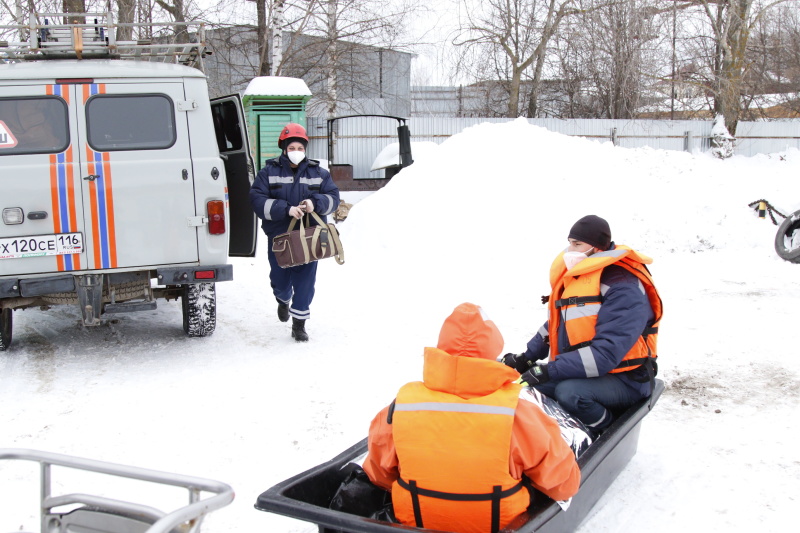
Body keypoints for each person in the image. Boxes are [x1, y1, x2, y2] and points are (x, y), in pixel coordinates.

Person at [364, 303, 581, 533]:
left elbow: (378, 473)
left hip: (417, 522)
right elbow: (564, 484)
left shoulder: (401, 407)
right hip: (498, 524)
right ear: (493, 351)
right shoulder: (519, 413)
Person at [501, 215, 663, 437]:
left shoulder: (624, 288)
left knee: (570, 392)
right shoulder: (583, 278)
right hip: (589, 372)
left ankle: (606, 430)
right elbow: (557, 324)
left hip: (628, 378)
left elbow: (606, 354)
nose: (570, 250)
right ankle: (553, 440)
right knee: (532, 388)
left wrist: (550, 369)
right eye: (570, 242)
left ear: (597, 248)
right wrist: (527, 358)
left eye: (577, 244)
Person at [249, 123, 340, 342]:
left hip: (310, 236)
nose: (296, 151)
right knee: (280, 280)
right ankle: (283, 299)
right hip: (280, 237)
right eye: (292, 147)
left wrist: (313, 203)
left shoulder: (320, 173)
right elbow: (257, 200)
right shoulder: (268, 172)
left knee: (306, 281)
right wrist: (286, 209)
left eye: (300, 147)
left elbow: (333, 199)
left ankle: (299, 324)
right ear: (283, 148)